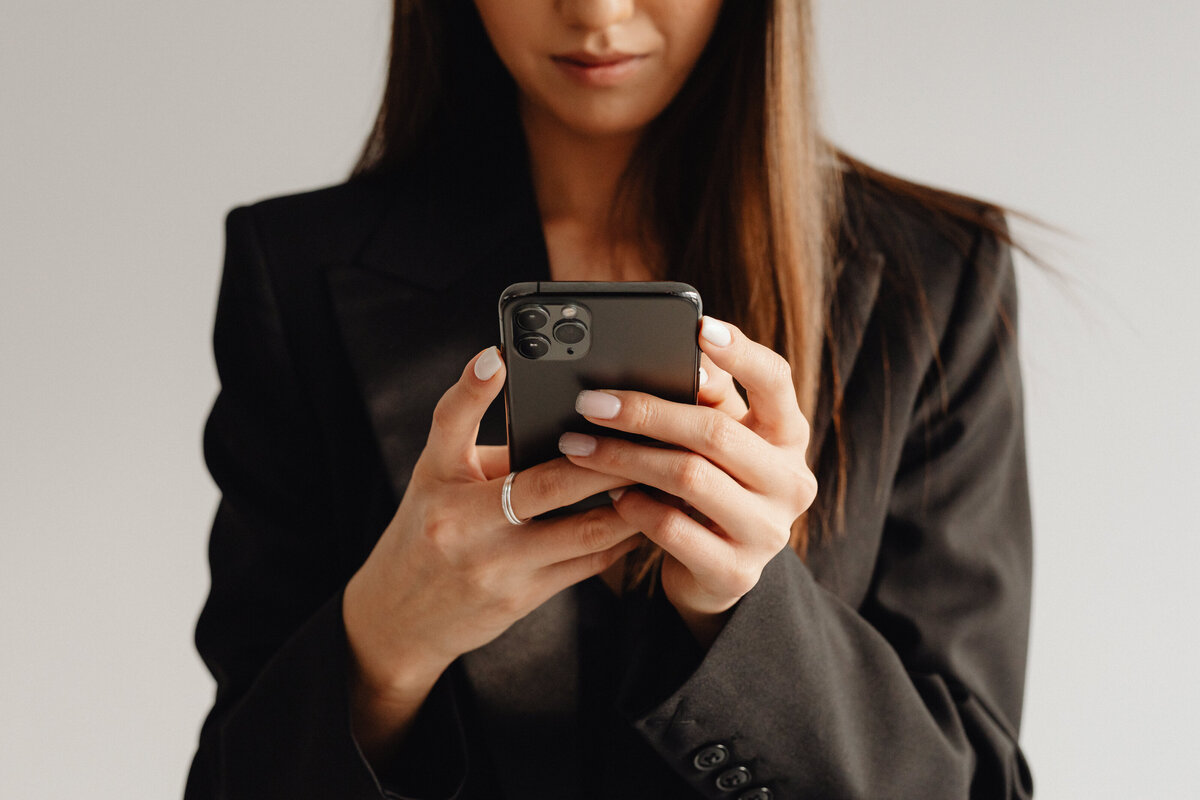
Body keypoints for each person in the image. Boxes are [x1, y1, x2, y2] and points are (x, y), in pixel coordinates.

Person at [184, 1, 1034, 798]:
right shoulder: (292, 271)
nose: (596, 11)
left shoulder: (936, 278)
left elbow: (975, 782)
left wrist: (747, 610)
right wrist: (386, 639)